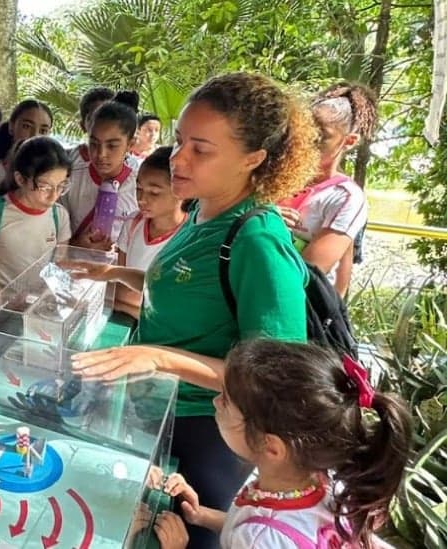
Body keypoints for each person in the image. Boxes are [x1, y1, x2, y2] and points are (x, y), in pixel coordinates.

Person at [68, 73, 318, 548]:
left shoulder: (258, 241)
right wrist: (117, 275)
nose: (178, 158)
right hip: (162, 411)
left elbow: (277, 377)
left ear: (253, 159)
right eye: (180, 141)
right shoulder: (203, 210)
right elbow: (190, 292)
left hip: (211, 434)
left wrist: (158, 358)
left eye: (201, 149)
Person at [156, 340, 410, 549]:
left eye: (226, 401)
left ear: (272, 447)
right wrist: (202, 515)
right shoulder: (326, 487)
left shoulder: (259, 540)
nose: (215, 402)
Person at [278, 82, 377, 297]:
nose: (307, 142)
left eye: (322, 135)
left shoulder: (345, 198)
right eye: (305, 131)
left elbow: (307, 273)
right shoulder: (274, 175)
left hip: (293, 311)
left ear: (349, 142)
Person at [0, 136, 72, 297]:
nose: (54, 195)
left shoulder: (59, 216)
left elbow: (59, 265)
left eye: (61, 186)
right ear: (20, 179)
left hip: (37, 308)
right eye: (45, 187)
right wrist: (4, 299)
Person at [61, 91, 142, 250]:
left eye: (112, 146)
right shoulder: (69, 177)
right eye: (94, 144)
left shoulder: (140, 185)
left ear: (130, 144)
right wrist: (75, 245)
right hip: (73, 267)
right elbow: (50, 230)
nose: (101, 154)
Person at [113, 146, 185, 318]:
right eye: (139, 189)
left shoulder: (188, 237)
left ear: (181, 192)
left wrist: (123, 302)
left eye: (154, 192)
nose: (142, 199)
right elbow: (119, 286)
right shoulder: (132, 224)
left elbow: (170, 308)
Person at [0, 99, 54, 210]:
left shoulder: (54, 176)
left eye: (43, 131)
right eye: (27, 126)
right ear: (11, 127)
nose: (35, 135)